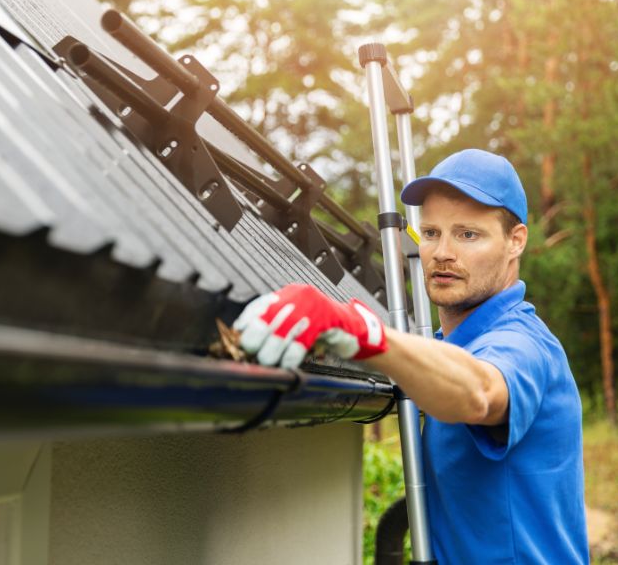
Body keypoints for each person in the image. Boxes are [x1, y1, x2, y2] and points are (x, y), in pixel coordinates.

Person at [233, 149, 589, 564]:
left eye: (468, 234)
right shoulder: (447, 346)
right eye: (432, 233)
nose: (442, 252)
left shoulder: (523, 344)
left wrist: (365, 334)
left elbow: (480, 391)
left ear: (516, 241)